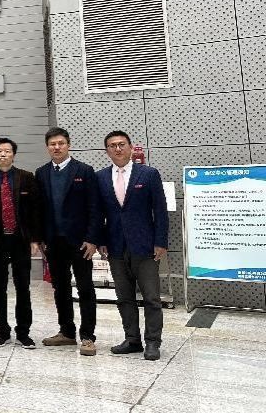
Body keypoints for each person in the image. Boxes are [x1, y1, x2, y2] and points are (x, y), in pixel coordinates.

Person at [97, 130, 168, 361]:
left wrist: (160, 241)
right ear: (107, 151)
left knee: (151, 298)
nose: (117, 149)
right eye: (112, 146)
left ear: (130, 147)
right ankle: (132, 340)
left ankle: (153, 342)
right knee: (124, 297)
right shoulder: (100, 177)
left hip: (145, 246)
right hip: (115, 246)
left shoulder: (148, 174)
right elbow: (98, 213)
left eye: (121, 144)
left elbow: (160, 210)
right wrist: (101, 240)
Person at [35, 127, 101, 356]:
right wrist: (40, 238)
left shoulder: (84, 170)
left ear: (68, 145)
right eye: (52, 144)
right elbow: (39, 209)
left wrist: (92, 239)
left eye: (61, 143)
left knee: (85, 288)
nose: (57, 147)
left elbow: (95, 207)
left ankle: (88, 336)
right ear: (47, 147)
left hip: (80, 242)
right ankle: (66, 332)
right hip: (54, 242)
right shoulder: (41, 173)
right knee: (60, 288)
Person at [0, 137, 43, 349]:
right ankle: (2, 331)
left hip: (20, 239)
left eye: (7, 151)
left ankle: (23, 333)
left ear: (14, 154)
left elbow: (35, 210)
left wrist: (35, 238)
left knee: (23, 287)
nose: (3, 154)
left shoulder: (26, 177)